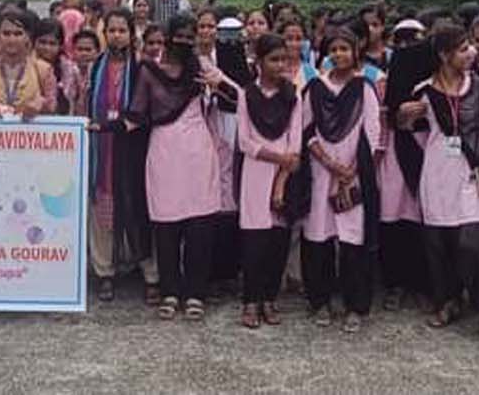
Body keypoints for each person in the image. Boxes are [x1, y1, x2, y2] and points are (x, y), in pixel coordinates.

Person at [93, 17, 221, 321]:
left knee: (199, 225)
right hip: (164, 151)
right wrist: (102, 126)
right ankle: (170, 292)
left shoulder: (203, 69)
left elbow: (235, 98)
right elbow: (135, 116)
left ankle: (196, 293)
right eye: (179, 36)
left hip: (199, 152)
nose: (185, 41)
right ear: (168, 38)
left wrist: (216, 86)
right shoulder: (150, 71)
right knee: (165, 226)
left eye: (190, 36)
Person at [399, 21, 479, 332]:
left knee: (473, 242)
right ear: (444, 55)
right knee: (438, 243)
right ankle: (446, 301)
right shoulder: (423, 91)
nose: (471, 53)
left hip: (471, 172)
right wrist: (403, 117)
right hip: (437, 173)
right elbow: (410, 132)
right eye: (462, 49)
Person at [301, 27, 382, 333]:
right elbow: (307, 130)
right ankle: (319, 302)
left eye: (344, 49)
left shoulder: (364, 88)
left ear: (355, 51)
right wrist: (331, 164)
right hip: (322, 172)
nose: (339, 54)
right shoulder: (315, 88)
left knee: (353, 241)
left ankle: (355, 307)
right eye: (333, 49)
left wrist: (351, 171)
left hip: (354, 176)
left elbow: (373, 133)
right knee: (318, 238)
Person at [86, 9, 157, 303]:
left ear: (131, 34)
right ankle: (105, 271)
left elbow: (147, 110)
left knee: (139, 208)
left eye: (121, 30)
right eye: (111, 30)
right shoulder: (96, 67)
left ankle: (151, 274)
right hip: (102, 148)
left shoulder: (143, 67)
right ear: (105, 34)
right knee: (103, 207)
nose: (116, 36)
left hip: (134, 148)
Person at [236, 33, 302, 329]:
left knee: (278, 241)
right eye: (273, 60)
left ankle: (269, 298)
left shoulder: (293, 95)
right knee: (254, 241)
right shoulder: (246, 94)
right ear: (259, 62)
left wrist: (282, 180)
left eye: (283, 60)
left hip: (285, 175)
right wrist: (277, 158)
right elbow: (245, 141)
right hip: (256, 172)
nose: (280, 65)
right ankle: (250, 300)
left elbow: (295, 143)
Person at [0, 10, 55, 118]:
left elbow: (53, 108)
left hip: (29, 127)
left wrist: (42, 104)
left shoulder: (43, 70)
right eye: (6, 34)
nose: (12, 39)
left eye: (18, 34)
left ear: (27, 37)